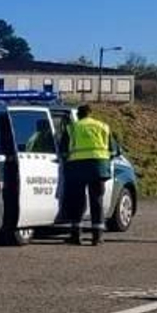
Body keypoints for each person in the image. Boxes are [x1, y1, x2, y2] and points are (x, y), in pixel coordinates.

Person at [62, 103, 117, 245]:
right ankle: (97, 237)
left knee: (77, 201)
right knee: (97, 200)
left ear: (78, 115)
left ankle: (76, 236)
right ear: (90, 113)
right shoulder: (103, 126)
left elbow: (63, 151)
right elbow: (114, 151)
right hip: (98, 168)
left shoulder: (72, 128)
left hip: (77, 168)